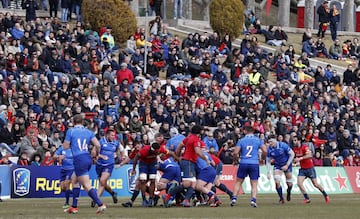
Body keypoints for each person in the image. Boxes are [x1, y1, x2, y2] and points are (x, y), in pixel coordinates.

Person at [62, 114, 106, 214]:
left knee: (86, 185)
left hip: (79, 158)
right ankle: (74, 207)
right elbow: (98, 145)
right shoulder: (88, 132)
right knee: (74, 180)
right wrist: (96, 153)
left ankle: (100, 204)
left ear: (73, 122)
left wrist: (68, 146)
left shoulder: (71, 131)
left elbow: (65, 146)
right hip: (87, 157)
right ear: (82, 122)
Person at [164, 125, 211, 207]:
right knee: (187, 184)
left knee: (193, 183)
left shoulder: (188, 138)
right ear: (199, 132)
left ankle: (186, 200)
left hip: (188, 162)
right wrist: (205, 159)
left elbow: (179, 147)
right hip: (188, 162)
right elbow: (197, 151)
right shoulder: (195, 139)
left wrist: (177, 157)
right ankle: (168, 196)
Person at [131, 141, 177, 207]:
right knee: (143, 180)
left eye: (158, 151)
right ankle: (144, 199)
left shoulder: (161, 149)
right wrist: (133, 169)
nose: (157, 152)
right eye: (156, 152)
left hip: (153, 164)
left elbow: (171, 153)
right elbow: (136, 158)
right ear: (152, 150)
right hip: (143, 164)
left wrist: (176, 159)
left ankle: (150, 199)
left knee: (152, 180)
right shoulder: (144, 151)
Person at [231, 125, 267, 208]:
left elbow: (235, 153)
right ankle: (253, 200)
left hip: (243, 162)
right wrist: (262, 158)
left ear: (245, 131)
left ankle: (234, 198)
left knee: (239, 181)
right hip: (254, 163)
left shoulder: (241, 140)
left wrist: (235, 160)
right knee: (254, 183)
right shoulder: (258, 140)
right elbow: (265, 150)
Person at [91, 129, 126, 208]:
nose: (113, 137)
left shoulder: (116, 143)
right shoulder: (101, 142)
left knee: (102, 181)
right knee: (103, 183)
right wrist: (100, 156)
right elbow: (93, 152)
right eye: (112, 135)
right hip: (99, 165)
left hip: (109, 165)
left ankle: (96, 199)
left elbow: (122, 149)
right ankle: (113, 193)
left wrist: (123, 155)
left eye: (114, 135)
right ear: (107, 135)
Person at [292, 135, 330, 204]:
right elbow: (294, 157)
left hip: (310, 168)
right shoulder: (295, 149)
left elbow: (310, 155)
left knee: (315, 184)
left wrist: (300, 158)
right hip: (303, 169)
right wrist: (294, 161)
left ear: (299, 141)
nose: (294, 142)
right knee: (299, 183)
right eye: (293, 140)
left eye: (295, 140)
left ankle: (325, 195)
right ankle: (307, 198)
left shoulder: (304, 147)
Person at [266, 134, 295, 204]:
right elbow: (268, 161)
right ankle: (281, 199)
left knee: (289, 184)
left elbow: (292, 154)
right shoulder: (269, 149)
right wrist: (268, 172)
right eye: (269, 142)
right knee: (277, 181)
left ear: (275, 140)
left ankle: (289, 191)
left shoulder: (283, 145)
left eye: (271, 141)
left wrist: (287, 165)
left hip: (287, 164)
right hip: (278, 165)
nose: (270, 143)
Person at [54, 145, 75, 209]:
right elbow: (54, 156)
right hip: (63, 170)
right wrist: (59, 156)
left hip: (71, 170)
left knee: (66, 184)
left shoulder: (74, 149)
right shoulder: (62, 149)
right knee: (62, 188)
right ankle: (74, 192)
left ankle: (67, 203)